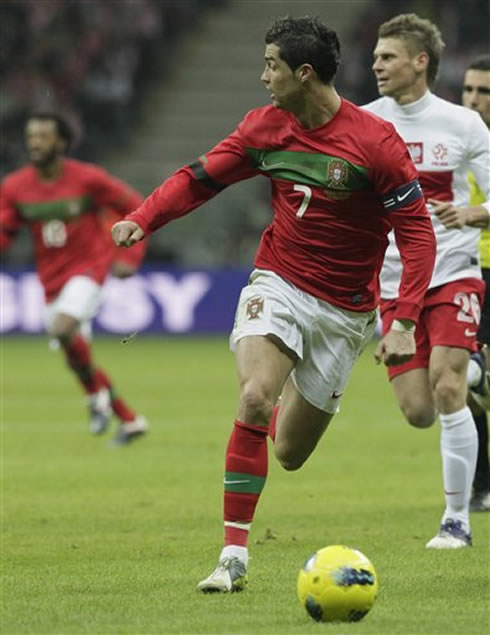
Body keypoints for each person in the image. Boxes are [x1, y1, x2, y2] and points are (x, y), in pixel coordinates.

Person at [113, 16, 435, 591]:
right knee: (256, 397)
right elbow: (199, 178)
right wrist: (144, 218)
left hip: (345, 312)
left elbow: (416, 235)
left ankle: (289, 398)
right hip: (278, 282)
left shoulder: (374, 143)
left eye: (272, 66)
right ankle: (233, 557)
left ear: (303, 73)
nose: (263, 76)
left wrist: (405, 318)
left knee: (287, 452)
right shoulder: (265, 128)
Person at [365, 14, 490, 548]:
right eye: (375, 57)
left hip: (455, 271)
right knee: (418, 411)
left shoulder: (463, 125)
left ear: (421, 62)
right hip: (394, 283)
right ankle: (476, 380)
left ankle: (456, 519)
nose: (376, 65)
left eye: (387, 56)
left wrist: (471, 212)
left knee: (446, 386)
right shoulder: (364, 123)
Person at [0, 112, 149, 445]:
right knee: (75, 353)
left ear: (62, 142)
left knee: (63, 329)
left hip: (89, 269)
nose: (35, 143)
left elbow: (134, 206)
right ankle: (127, 419)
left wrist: (128, 256)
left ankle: (96, 399)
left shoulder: (88, 180)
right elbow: (5, 232)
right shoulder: (15, 187)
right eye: (31, 137)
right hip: (50, 281)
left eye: (43, 136)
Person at [461, 55, 490, 511]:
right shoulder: (458, 140)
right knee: (461, 383)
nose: (473, 100)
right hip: (467, 270)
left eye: (483, 92)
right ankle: (481, 482)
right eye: (468, 90)